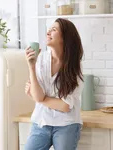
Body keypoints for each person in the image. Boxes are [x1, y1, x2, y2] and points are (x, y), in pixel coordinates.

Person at [24, 18, 84, 150]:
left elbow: (65, 106)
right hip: (41, 121)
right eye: (49, 29)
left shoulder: (74, 67)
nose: (48, 32)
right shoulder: (40, 60)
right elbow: (38, 96)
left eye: (54, 29)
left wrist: (40, 98)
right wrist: (31, 67)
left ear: (65, 38)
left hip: (67, 124)